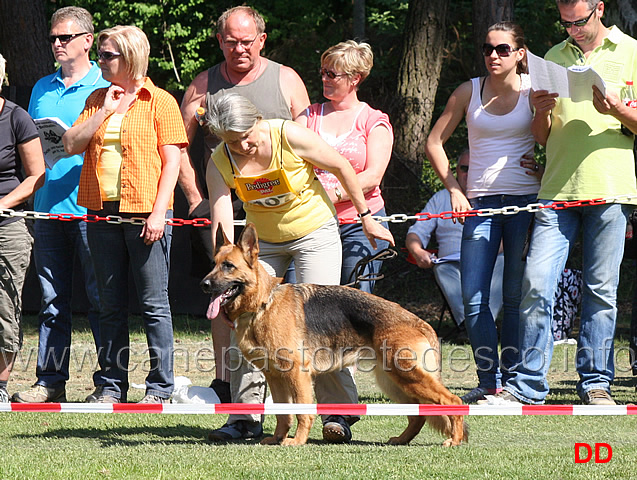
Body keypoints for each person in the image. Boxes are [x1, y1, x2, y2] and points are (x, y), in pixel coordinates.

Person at [204, 93, 394, 442]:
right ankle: (245, 416)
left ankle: (337, 413)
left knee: (320, 323)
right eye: (232, 141)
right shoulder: (220, 160)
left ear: (257, 119)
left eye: (246, 135)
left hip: (313, 232)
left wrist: (366, 217)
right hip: (261, 245)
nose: (242, 146)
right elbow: (222, 217)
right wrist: (228, 275)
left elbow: (342, 166)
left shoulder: (289, 135)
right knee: (245, 326)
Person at [484, 0, 637, 406]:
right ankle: (527, 386)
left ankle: (596, 384)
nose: (574, 30)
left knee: (601, 291)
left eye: (580, 21)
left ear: (600, 9)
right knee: (537, 283)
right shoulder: (551, 57)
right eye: (566, 23)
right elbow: (541, 135)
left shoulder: (631, 52)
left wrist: (617, 109)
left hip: (610, 187)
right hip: (555, 190)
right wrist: (540, 112)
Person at [179, 5, 310, 402]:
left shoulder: (286, 80)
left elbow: (309, 144)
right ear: (220, 41)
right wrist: (195, 198)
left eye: (247, 42)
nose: (239, 49)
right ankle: (227, 384)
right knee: (224, 291)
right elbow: (180, 146)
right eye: (231, 42)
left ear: (262, 40)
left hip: (282, 212)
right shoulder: (202, 85)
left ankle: (297, 390)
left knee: (294, 304)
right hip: (223, 205)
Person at [62, 25, 187, 404]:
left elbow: (173, 161)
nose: (100, 60)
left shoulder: (160, 101)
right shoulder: (97, 98)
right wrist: (104, 112)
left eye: (107, 55)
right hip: (101, 212)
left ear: (130, 57)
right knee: (108, 305)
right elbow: (69, 145)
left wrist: (158, 212)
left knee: (153, 305)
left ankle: (160, 387)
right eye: (100, 54)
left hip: (146, 213)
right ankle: (112, 385)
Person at [425, 22, 542, 404]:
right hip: (480, 205)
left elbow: (553, 140)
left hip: (526, 202)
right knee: (473, 297)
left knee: (512, 296)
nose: (494, 55)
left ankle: (511, 381)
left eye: (503, 49)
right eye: (488, 48)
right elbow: (434, 142)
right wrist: (455, 190)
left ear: (520, 53)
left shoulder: (534, 91)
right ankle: (488, 380)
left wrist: (543, 169)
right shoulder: (468, 91)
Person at [12, 6, 109, 405]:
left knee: (101, 300)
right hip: (48, 207)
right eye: (53, 37)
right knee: (52, 301)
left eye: (65, 37)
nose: (57, 44)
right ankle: (50, 380)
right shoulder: (40, 88)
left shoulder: (107, 85)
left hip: (92, 208)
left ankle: (109, 383)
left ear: (88, 40)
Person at [296, 40, 392, 293]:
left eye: (332, 74)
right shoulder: (308, 116)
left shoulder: (374, 121)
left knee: (354, 304)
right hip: (313, 222)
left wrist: (332, 194)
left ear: (355, 79)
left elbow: (372, 176)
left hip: (359, 224)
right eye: (323, 72)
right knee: (306, 299)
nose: (324, 78)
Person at [406, 150, 504, 334]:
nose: (469, 174)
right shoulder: (440, 198)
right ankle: (472, 325)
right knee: (442, 269)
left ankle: (481, 325)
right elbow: (416, 233)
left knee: (503, 261)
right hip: (451, 264)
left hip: (489, 258)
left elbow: (511, 237)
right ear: (455, 171)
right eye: (464, 168)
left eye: (474, 169)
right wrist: (418, 252)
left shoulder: (495, 198)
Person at [0, 53, 46, 402]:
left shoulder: (17, 117)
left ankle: (0, 386)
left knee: (5, 305)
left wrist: (3, 204)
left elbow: (36, 176)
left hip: (8, 224)